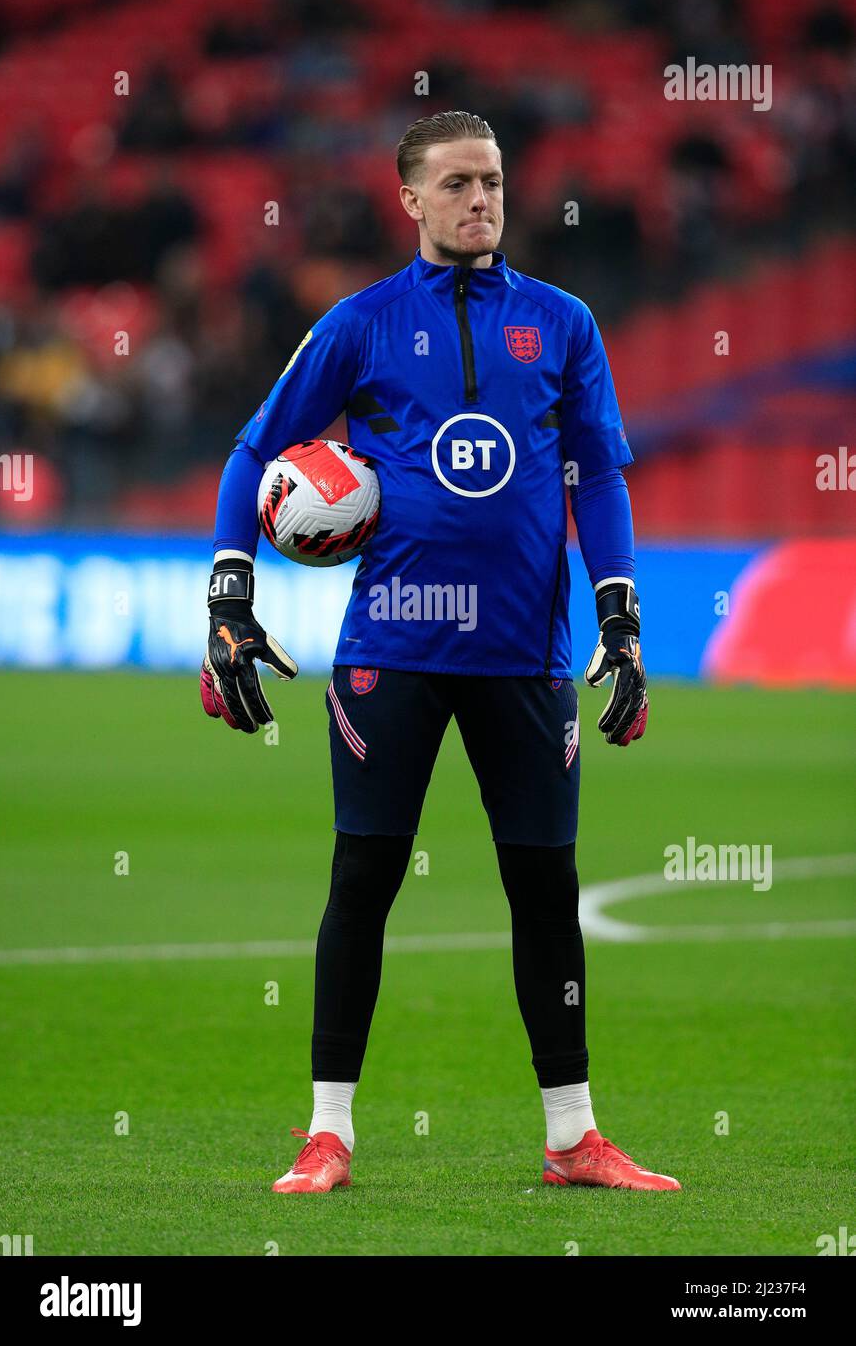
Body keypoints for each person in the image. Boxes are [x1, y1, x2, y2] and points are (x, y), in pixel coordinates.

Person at [201, 111, 680, 1194]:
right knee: (362, 879)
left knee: (544, 890)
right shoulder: (360, 326)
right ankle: (328, 1132)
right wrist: (231, 595)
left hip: (522, 652)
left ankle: (572, 1138)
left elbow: (596, 477)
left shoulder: (561, 324)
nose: (480, 201)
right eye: (457, 184)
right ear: (408, 199)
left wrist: (618, 615)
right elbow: (253, 448)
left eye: (493, 182)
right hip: (392, 652)